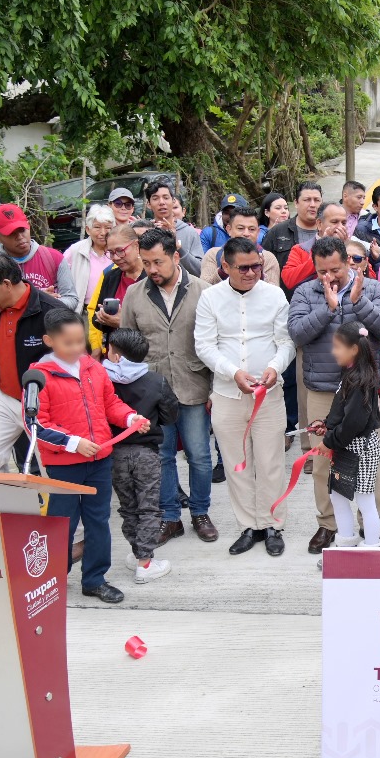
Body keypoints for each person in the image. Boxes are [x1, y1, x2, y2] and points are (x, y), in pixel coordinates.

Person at [31, 307, 150, 603]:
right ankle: (50, 580)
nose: (76, 349)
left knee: (98, 521)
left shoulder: (93, 368)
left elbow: (110, 402)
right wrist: (73, 443)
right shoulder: (37, 377)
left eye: (80, 342)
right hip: (64, 465)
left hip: (98, 460)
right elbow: (36, 423)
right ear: (49, 341)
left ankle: (94, 579)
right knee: (61, 524)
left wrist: (130, 418)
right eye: (68, 343)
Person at [290, 237, 380, 553]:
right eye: (322, 271)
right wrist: (328, 307)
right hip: (323, 390)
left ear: (348, 262)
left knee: (367, 461)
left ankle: (370, 524)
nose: (329, 277)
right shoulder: (305, 293)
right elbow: (297, 334)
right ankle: (329, 525)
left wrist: (358, 301)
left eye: (334, 269)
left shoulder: (373, 289)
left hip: (363, 394)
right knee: (324, 460)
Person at [194, 238, 294, 557]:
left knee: (271, 463)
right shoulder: (210, 298)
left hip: (269, 394)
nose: (252, 273)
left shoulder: (274, 295)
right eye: (244, 268)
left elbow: (286, 342)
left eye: (257, 266)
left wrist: (274, 368)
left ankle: (272, 524)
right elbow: (204, 345)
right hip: (226, 395)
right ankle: (248, 526)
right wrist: (231, 373)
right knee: (238, 464)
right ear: (225, 267)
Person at [120, 228, 218, 545]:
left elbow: (217, 343)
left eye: (158, 262)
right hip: (152, 392)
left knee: (200, 456)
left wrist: (216, 388)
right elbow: (127, 347)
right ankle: (170, 517)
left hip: (194, 385)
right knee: (161, 457)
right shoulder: (134, 295)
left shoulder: (204, 291)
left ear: (176, 257)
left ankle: (200, 512)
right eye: (146, 263)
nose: (152, 270)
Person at [0, 253, 66, 472]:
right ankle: (2, 505)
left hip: (44, 404)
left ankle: (54, 507)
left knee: (50, 468)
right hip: (4, 398)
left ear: (6, 284)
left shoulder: (52, 312)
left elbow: (75, 362)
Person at [103, 328, 179, 583]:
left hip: (113, 454)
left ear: (114, 354)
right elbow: (170, 415)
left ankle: (138, 553)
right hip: (146, 452)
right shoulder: (155, 381)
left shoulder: (101, 381)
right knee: (149, 507)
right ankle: (145, 562)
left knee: (128, 507)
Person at [319, 321, 380, 548]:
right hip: (346, 447)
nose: (334, 351)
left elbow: (354, 423)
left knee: (365, 500)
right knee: (338, 496)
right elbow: (342, 412)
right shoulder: (351, 374)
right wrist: (326, 425)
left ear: (354, 349)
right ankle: (345, 544)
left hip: (361, 448)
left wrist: (329, 441)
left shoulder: (360, 380)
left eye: (338, 346)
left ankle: (370, 548)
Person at [0, 203, 78, 309]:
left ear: (28, 225)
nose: (20, 237)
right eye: (11, 233)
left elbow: (71, 299)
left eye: (22, 230)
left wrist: (47, 303)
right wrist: (38, 299)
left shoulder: (54, 257)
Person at [86, 223, 145, 355]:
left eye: (120, 251)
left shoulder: (152, 277)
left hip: (145, 355)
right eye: (111, 253)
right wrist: (103, 317)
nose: (116, 258)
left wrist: (123, 321)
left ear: (136, 246)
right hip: (114, 355)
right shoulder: (111, 276)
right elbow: (95, 317)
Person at [199, 206, 281, 286]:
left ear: (258, 232)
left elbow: (273, 294)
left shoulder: (268, 258)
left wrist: (259, 273)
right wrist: (223, 271)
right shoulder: (213, 254)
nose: (246, 233)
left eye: (251, 229)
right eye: (240, 228)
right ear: (229, 230)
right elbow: (204, 288)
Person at [262, 182, 323, 280]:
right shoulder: (277, 232)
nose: (312, 205)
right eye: (307, 200)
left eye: (317, 200)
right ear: (296, 203)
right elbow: (264, 267)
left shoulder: (329, 231)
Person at [281, 202, 348, 291]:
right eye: (335, 222)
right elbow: (289, 280)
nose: (340, 227)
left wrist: (347, 247)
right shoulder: (300, 249)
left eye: (343, 223)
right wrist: (320, 251)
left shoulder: (352, 247)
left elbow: (368, 276)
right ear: (319, 224)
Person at [62, 204, 115, 311]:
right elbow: (59, 278)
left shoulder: (119, 251)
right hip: (83, 312)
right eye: (97, 227)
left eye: (108, 227)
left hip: (113, 311)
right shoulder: (76, 251)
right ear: (88, 229)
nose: (103, 233)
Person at [145, 180, 202, 274]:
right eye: (155, 198)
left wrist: (178, 247)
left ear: (173, 200)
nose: (161, 202)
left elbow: (199, 270)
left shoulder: (189, 232)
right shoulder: (145, 231)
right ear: (148, 204)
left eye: (166, 197)